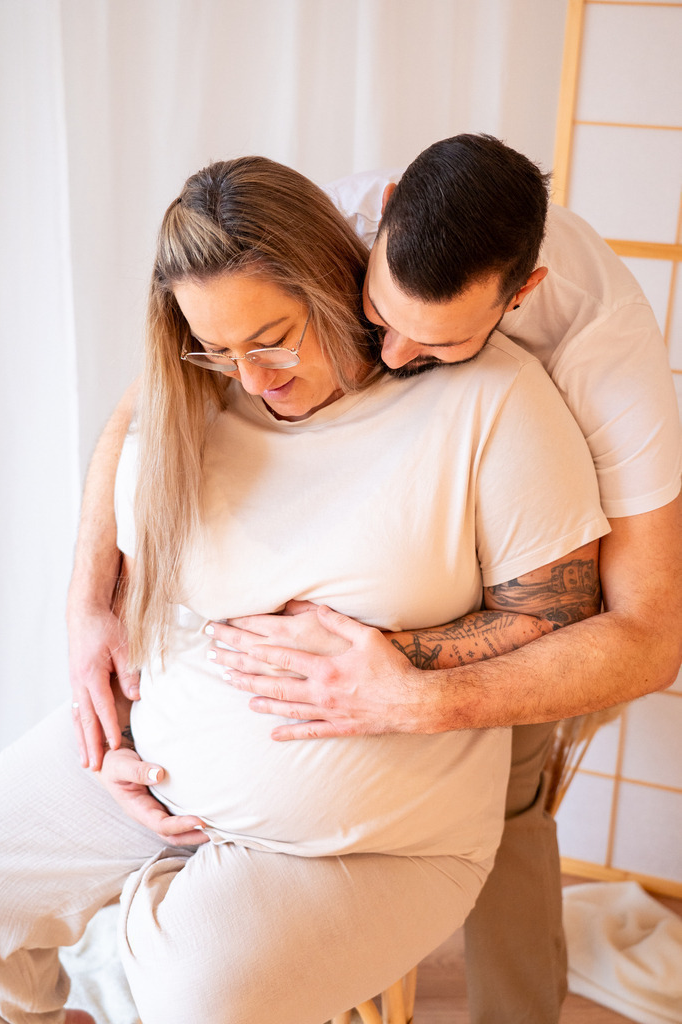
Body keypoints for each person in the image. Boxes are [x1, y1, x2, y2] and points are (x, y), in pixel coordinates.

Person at [66, 136, 681, 1024]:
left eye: (433, 344)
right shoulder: (335, 225)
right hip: (369, 603)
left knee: (510, 813)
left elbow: (646, 638)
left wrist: (417, 693)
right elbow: (140, 404)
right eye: (375, 315)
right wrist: (89, 606)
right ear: (378, 216)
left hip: (524, 567)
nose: (387, 359)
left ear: (521, 298)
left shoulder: (605, 358)